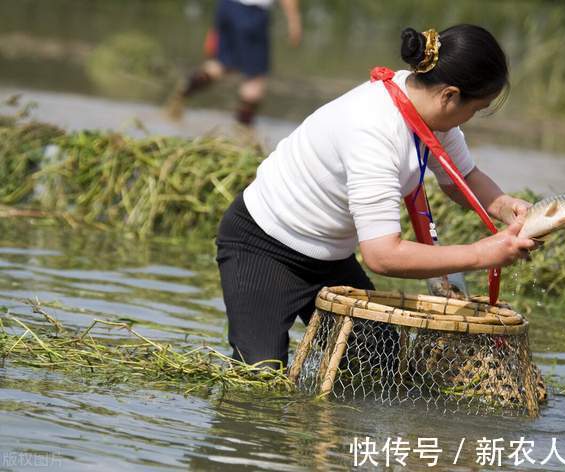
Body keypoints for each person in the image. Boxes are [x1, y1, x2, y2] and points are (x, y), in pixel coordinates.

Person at [216, 24, 536, 367]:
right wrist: (481, 254)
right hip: (264, 246)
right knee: (261, 379)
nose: (469, 119)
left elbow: (462, 178)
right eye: (475, 109)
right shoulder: (374, 131)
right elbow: (383, 255)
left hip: (329, 257)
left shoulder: (422, 105)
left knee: (380, 363)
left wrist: (507, 207)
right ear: (450, 96)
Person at [167, 0, 302, 126]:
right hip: (252, 14)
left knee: (221, 64)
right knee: (255, 79)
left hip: (227, 7)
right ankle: (243, 131)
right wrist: (294, 22)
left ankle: (183, 91)